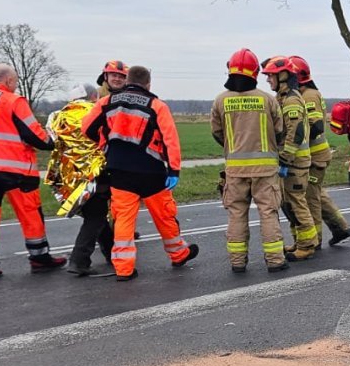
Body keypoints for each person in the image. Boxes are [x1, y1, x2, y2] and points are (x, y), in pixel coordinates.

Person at [83, 65, 198, 281]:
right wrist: (174, 169)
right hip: (151, 171)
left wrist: (105, 143)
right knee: (164, 216)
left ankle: (124, 268)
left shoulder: (106, 102)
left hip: (118, 170)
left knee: (123, 219)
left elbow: (86, 127)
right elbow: (170, 140)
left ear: (127, 81)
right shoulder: (157, 105)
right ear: (148, 84)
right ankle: (178, 254)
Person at [0, 64, 67, 281]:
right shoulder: (13, 101)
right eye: (15, 82)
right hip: (15, 170)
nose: (15, 86)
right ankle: (39, 258)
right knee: (30, 213)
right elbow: (36, 136)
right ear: (8, 81)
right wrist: (51, 143)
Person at [211, 49, 288, 273]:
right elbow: (280, 130)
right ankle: (275, 261)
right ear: (254, 72)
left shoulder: (220, 100)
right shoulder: (267, 99)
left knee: (236, 214)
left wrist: (234, 149)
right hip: (266, 170)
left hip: (234, 171)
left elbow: (217, 132)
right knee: (268, 212)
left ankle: (237, 262)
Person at [290, 56, 350, 248]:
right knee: (318, 194)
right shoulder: (306, 93)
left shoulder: (308, 95)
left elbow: (316, 125)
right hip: (316, 155)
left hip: (315, 157)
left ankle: (314, 240)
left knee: (311, 197)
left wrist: (293, 137)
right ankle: (340, 228)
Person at [261, 55, 318, 261]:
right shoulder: (284, 98)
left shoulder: (292, 100)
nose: (268, 80)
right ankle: (299, 241)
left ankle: (307, 246)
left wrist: (285, 158)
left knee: (297, 204)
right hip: (291, 161)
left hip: (295, 162)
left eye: (270, 76)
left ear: (283, 76)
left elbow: (296, 131)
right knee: (289, 204)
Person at [60, 78, 117, 277]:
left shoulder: (59, 116)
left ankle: (112, 253)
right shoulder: (94, 112)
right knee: (96, 215)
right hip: (94, 174)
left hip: (69, 176)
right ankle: (79, 260)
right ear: (94, 97)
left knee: (96, 214)